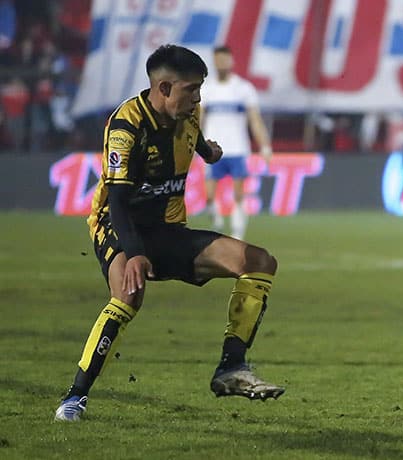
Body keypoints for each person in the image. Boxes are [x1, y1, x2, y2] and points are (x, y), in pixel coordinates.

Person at [54, 44, 285, 422]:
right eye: (191, 89)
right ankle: (75, 397)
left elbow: (197, 143)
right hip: (118, 225)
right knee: (129, 297)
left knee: (260, 262)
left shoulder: (188, 115)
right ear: (163, 88)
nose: (197, 97)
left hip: (168, 229)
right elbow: (118, 200)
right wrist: (134, 253)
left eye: (200, 89)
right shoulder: (127, 125)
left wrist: (210, 152)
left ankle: (231, 367)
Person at [200, 45, 272, 240]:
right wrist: (193, 145)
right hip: (212, 149)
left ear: (231, 61)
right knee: (209, 196)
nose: (221, 63)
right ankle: (216, 220)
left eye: (224, 59)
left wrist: (264, 145)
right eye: (218, 60)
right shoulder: (207, 90)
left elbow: (255, 119)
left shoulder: (243, 89)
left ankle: (238, 233)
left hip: (238, 148)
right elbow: (198, 120)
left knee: (239, 194)